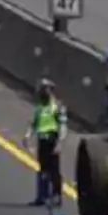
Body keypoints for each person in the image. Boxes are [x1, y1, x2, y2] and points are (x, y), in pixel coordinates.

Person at [24, 78, 67, 206]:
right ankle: (42, 196)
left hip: (52, 140)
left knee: (54, 170)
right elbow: (34, 124)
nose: (42, 93)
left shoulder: (57, 107)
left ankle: (56, 195)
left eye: (44, 90)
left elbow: (63, 126)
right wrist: (27, 136)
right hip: (42, 140)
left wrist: (60, 142)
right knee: (43, 169)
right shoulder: (39, 109)